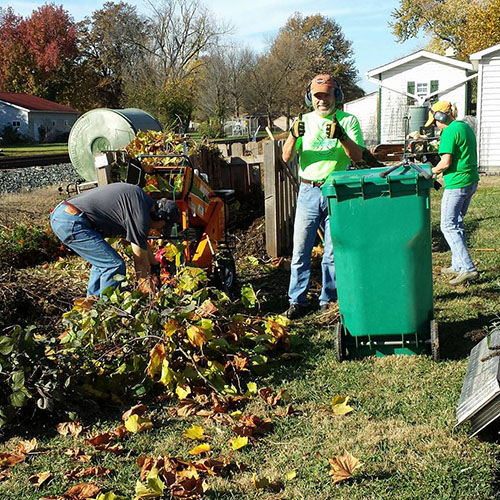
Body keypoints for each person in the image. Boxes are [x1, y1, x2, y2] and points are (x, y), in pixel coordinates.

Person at [282, 74, 364, 319]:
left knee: (332, 252)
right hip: (308, 190)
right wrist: (293, 135)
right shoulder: (303, 122)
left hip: (337, 191)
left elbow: (357, 157)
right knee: (300, 250)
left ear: (336, 96)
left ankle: (328, 300)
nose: (322, 101)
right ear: (310, 98)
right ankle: (297, 301)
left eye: (326, 95)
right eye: (317, 96)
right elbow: (286, 157)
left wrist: (341, 136)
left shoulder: (348, 121)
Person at [50, 183, 180, 297]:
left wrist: (155, 267)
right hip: (71, 221)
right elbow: (140, 262)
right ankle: (109, 309)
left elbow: (142, 245)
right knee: (114, 265)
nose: (159, 229)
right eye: (163, 226)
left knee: (102, 263)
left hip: (66, 214)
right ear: (159, 218)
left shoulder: (142, 203)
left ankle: (93, 305)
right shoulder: (141, 218)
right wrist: (147, 291)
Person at [426, 100, 479, 286]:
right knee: (457, 223)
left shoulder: (449, 131)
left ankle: (468, 268)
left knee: (448, 226)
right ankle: (457, 264)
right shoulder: (464, 126)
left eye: (435, 121)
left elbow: (445, 162)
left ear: (441, 116)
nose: (435, 125)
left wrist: (430, 171)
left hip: (457, 184)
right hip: (471, 181)